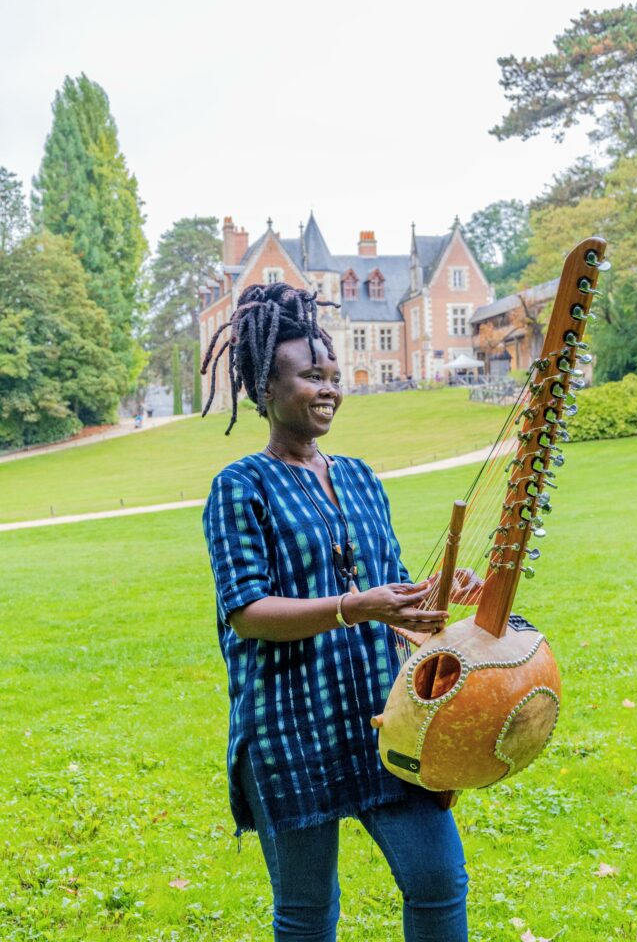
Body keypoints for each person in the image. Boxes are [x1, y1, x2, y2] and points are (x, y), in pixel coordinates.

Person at [202, 283, 469, 942]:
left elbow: (393, 603)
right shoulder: (241, 486)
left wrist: (429, 596)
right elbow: (246, 610)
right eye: (310, 377)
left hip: (387, 720)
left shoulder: (360, 477)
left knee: (438, 882)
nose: (329, 389)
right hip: (291, 725)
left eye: (334, 376)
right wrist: (356, 606)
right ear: (265, 388)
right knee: (307, 909)